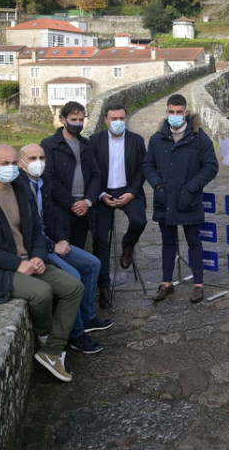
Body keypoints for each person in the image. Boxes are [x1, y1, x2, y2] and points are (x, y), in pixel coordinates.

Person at [0, 144, 84, 382]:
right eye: (5, 164)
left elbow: (35, 230)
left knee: (73, 287)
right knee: (42, 293)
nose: (11, 168)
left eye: (15, 163)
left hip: (29, 261)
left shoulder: (20, 191)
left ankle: (51, 352)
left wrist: (37, 256)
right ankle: (47, 337)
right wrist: (16, 263)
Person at [18, 143, 111, 355]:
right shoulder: (20, 189)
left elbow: (50, 217)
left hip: (51, 241)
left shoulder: (43, 183)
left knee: (92, 264)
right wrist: (53, 245)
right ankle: (76, 333)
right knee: (73, 276)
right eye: (32, 158)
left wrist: (61, 239)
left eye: (41, 157)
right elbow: (29, 230)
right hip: (38, 248)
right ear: (20, 163)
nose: (38, 163)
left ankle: (87, 317)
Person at [143, 93, 219, 303]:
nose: (175, 115)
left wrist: (191, 188)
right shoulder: (157, 139)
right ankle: (166, 283)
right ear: (166, 112)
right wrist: (157, 185)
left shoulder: (199, 138)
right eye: (171, 112)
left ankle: (198, 285)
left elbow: (211, 166)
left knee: (194, 241)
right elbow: (148, 165)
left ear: (186, 112)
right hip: (164, 199)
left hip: (189, 200)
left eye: (179, 112)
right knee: (167, 242)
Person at [90, 103, 148, 309]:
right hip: (103, 192)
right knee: (99, 238)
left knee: (139, 220)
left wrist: (131, 193)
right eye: (114, 119)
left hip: (128, 190)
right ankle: (104, 285)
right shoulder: (94, 141)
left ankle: (128, 244)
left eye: (122, 118)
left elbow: (142, 170)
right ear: (106, 120)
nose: (118, 122)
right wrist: (101, 194)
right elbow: (92, 171)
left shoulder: (137, 140)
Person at [40, 101, 101, 251]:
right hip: (60, 209)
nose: (78, 123)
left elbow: (96, 175)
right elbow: (49, 178)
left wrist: (87, 201)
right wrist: (71, 203)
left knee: (80, 249)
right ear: (63, 119)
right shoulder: (49, 145)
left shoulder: (86, 145)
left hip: (84, 209)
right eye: (74, 120)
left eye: (81, 120)